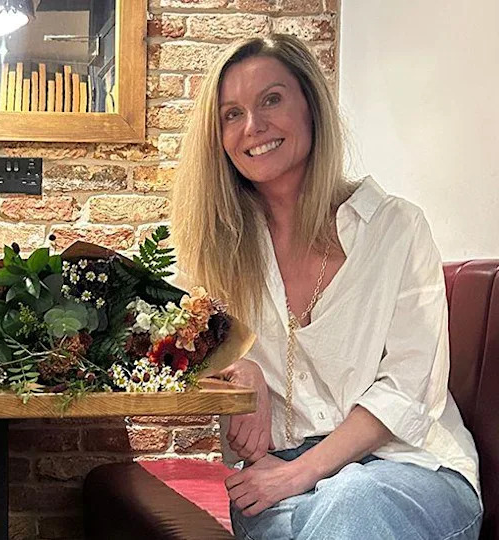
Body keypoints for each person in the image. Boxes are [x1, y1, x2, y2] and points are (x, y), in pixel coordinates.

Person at [171, 34, 482, 539]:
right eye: (232, 114)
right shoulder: (217, 249)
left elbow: (407, 388)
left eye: (271, 99)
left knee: (353, 503)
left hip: (412, 467)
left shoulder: (395, 227)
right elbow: (162, 340)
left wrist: (303, 472)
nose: (254, 126)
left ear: (311, 106)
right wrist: (238, 364)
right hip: (273, 480)